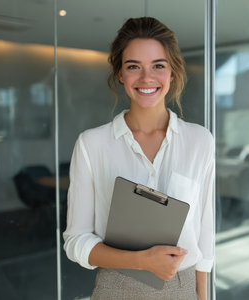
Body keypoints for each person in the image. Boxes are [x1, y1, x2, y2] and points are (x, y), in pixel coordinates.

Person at [63, 17, 215, 300]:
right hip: (115, 287)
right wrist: (143, 261)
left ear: (172, 73)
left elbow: (204, 236)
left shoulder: (200, 141)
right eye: (134, 66)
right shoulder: (92, 144)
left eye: (158, 65)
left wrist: (202, 297)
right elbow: (75, 242)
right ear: (120, 73)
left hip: (182, 290)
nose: (147, 78)